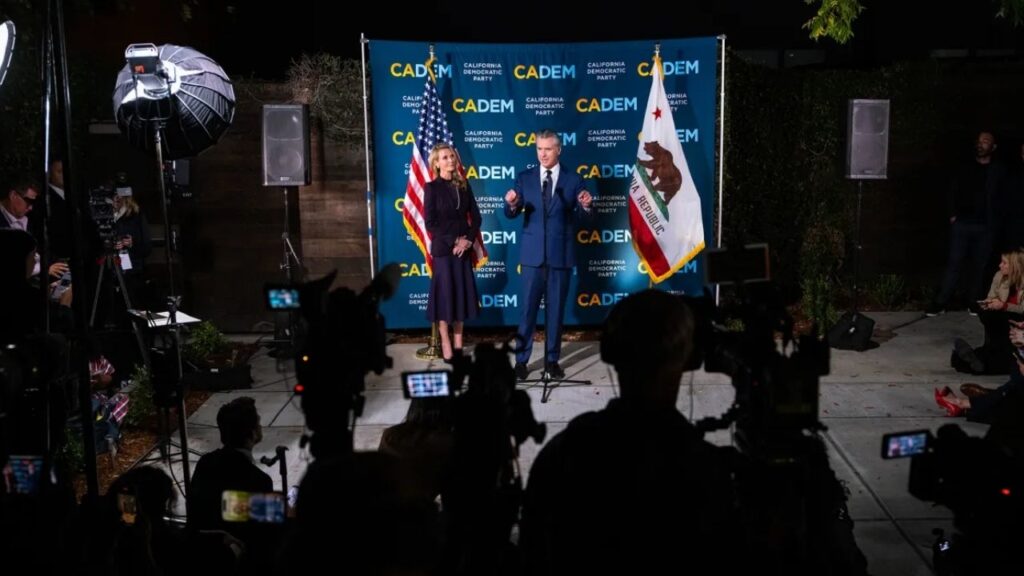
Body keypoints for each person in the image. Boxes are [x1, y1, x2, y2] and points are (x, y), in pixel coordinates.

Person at [519, 290, 741, 575]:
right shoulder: (708, 471)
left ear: (610, 353)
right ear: (691, 357)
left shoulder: (565, 454)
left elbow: (532, 550)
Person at [503, 130, 593, 380]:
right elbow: (512, 212)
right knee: (528, 312)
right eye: (539, 149)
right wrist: (511, 203)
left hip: (560, 256)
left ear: (559, 150)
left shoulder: (574, 179)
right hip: (532, 258)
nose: (543, 154)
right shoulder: (525, 178)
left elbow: (586, 217)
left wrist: (586, 205)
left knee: (555, 312)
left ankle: (552, 361)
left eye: (548, 149)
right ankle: (521, 361)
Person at [927, 131, 1007, 316]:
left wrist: (997, 222)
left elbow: (1004, 197)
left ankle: (973, 302)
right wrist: (952, 215)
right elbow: (952, 190)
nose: (981, 144)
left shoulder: (999, 170)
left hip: (986, 226)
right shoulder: (965, 167)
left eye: (985, 141)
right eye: (979, 141)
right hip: (962, 224)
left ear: (993, 147)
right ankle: (940, 302)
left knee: (980, 266)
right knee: (954, 263)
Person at [424, 142, 481, 362]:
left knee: (460, 297)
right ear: (437, 163)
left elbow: (476, 218)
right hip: (444, 252)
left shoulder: (464, 185)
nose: (450, 160)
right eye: (445, 157)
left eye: (451, 156)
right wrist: (454, 240)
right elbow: (431, 223)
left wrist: (467, 240)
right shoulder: (432, 188)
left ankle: (458, 343)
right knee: (445, 297)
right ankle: (445, 342)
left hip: (463, 251)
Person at [188, 396, 273, 532]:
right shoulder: (258, 481)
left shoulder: (205, 463)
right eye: (258, 423)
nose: (261, 427)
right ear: (252, 434)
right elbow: (262, 532)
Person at [950, 249, 1024, 374]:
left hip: (1018, 319)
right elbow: (991, 296)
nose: (1000, 265)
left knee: (1003, 361)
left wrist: (1004, 306)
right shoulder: (999, 276)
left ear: (1015, 266)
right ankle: (979, 358)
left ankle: (967, 359)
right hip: (1003, 315)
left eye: (1004, 263)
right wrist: (988, 303)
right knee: (989, 315)